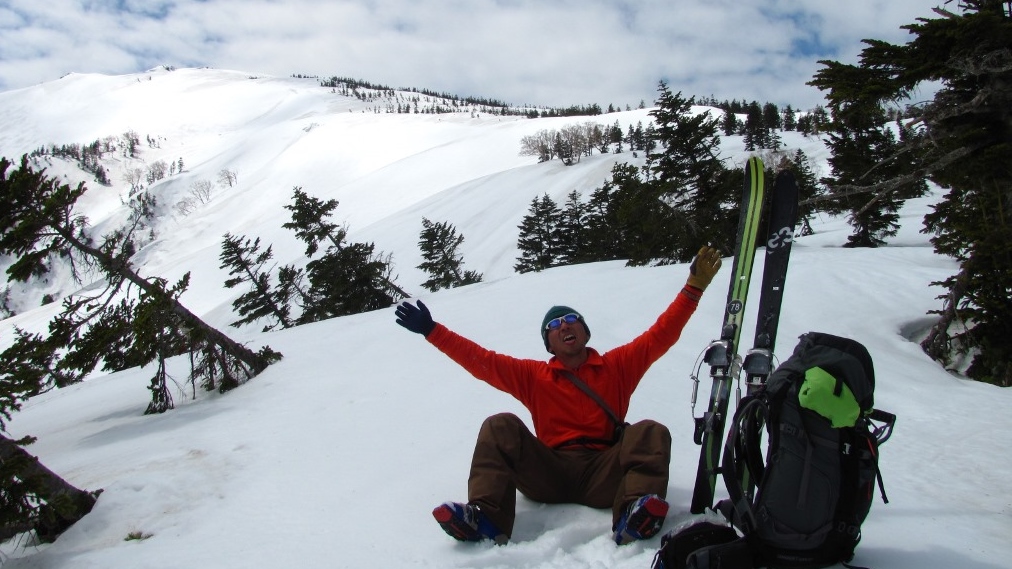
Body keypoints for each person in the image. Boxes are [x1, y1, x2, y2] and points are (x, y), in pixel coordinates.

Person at [394, 246, 722, 546]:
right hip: (548, 471)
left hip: (603, 473)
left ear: (584, 331)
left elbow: (661, 334)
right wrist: (432, 331)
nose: (564, 325)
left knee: (649, 430)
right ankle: (485, 518)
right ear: (549, 343)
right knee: (499, 425)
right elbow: (483, 362)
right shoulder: (534, 376)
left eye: (570, 319)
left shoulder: (618, 365)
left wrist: (694, 287)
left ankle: (633, 515)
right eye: (554, 324)